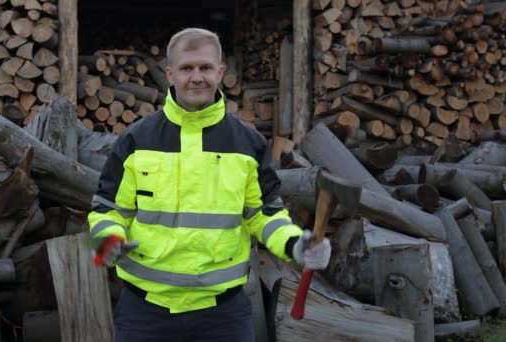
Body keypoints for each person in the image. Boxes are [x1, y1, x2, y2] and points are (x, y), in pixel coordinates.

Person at [88, 27, 331, 342]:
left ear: (220, 72)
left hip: (223, 318)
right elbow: (107, 210)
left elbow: (266, 215)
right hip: (145, 315)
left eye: (205, 67)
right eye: (187, 68)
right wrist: (108, 239)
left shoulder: (248, 144)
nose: (197, 77)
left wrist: (296, 244)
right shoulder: (136, 140)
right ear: (170, 73)